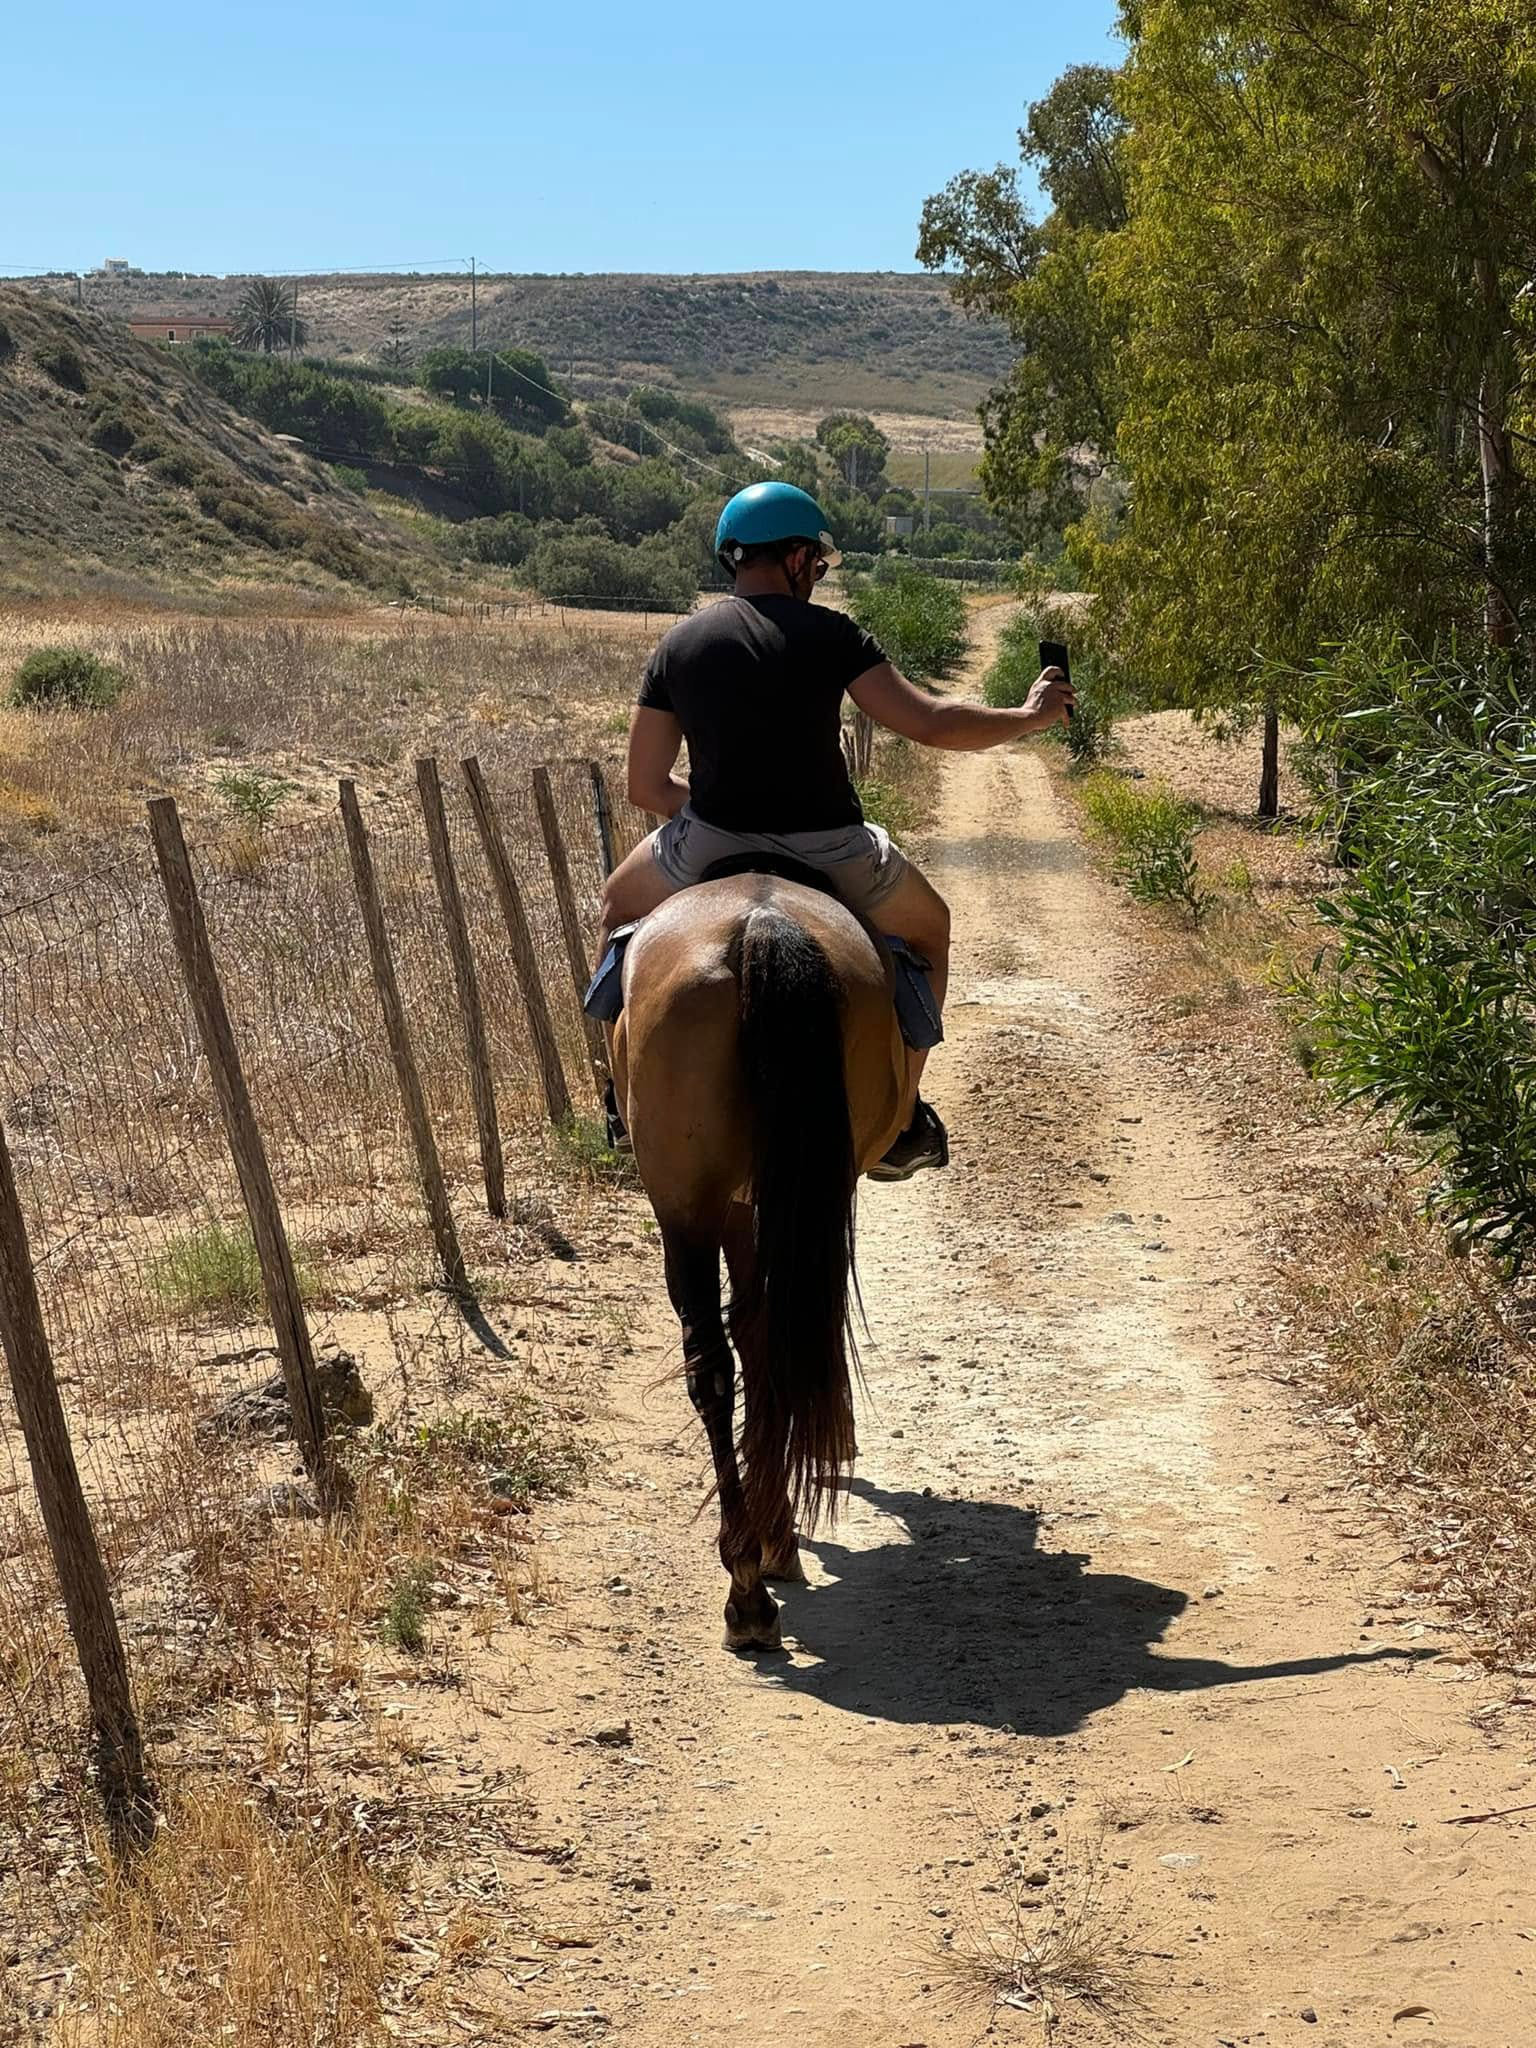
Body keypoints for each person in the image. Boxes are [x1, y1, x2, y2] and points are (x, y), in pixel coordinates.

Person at [596, 480, 1074, 1180]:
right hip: (833, 847)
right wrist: (1029, 717)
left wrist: (718, 807)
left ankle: (621, 1097)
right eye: (817, 565)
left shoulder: (679, 644)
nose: (817, 577)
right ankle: (903, 1115)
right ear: (796, 558)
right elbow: (931, 723)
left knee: (616, 908)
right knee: (931, 928)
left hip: (710, 839)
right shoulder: (833, 635)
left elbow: (644, 786)